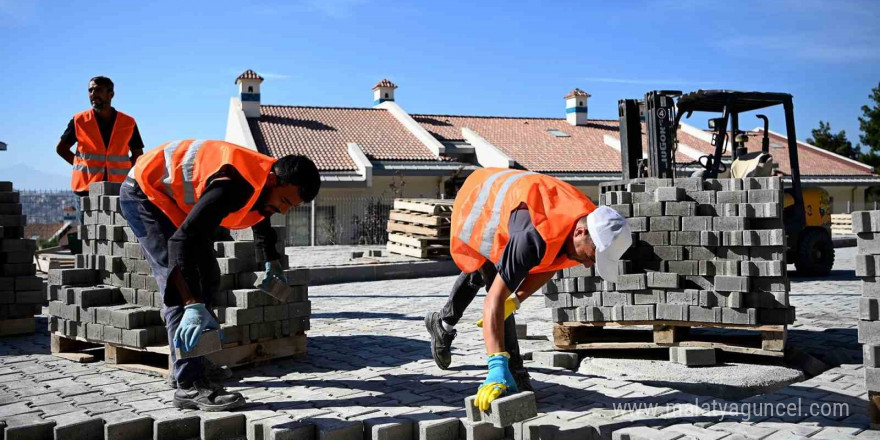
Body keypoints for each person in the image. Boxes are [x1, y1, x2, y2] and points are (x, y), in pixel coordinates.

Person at [119, 139, 320, 411]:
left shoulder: (263, 183)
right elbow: (181, 243)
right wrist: (192, 304)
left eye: (291, 206)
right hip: (145, 194)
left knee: (209, 275)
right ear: (273, 180)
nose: (284, 210)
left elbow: (262, 217)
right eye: (284, 201)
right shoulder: (231, 185)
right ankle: (189, 385)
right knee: (179, 282)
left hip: (173, 201)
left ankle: (194, 360)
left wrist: (271, 261)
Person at [424, 168, 632, 411]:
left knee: (493, 276)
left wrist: (518, 298)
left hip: (516, 208)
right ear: (580, 233)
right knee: (487, 273)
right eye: (591, 257)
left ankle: (443, 324)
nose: (588, 264)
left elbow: (552, 262)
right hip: (481, 204)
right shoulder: (533, 238)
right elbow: (494, 301)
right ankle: (512, 372)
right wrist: (495, 366)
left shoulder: (584, 226)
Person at [56, 76, 145, 196]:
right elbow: (61, 149)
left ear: (111, 94)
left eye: (98, 90)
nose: (93, 94)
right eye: (90, 90)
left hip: (118, 187)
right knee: (86, 216)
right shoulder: (79, 121)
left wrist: (127, 173)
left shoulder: (128, 122)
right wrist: (82, 166)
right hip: (86, 188)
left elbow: (138, 154)